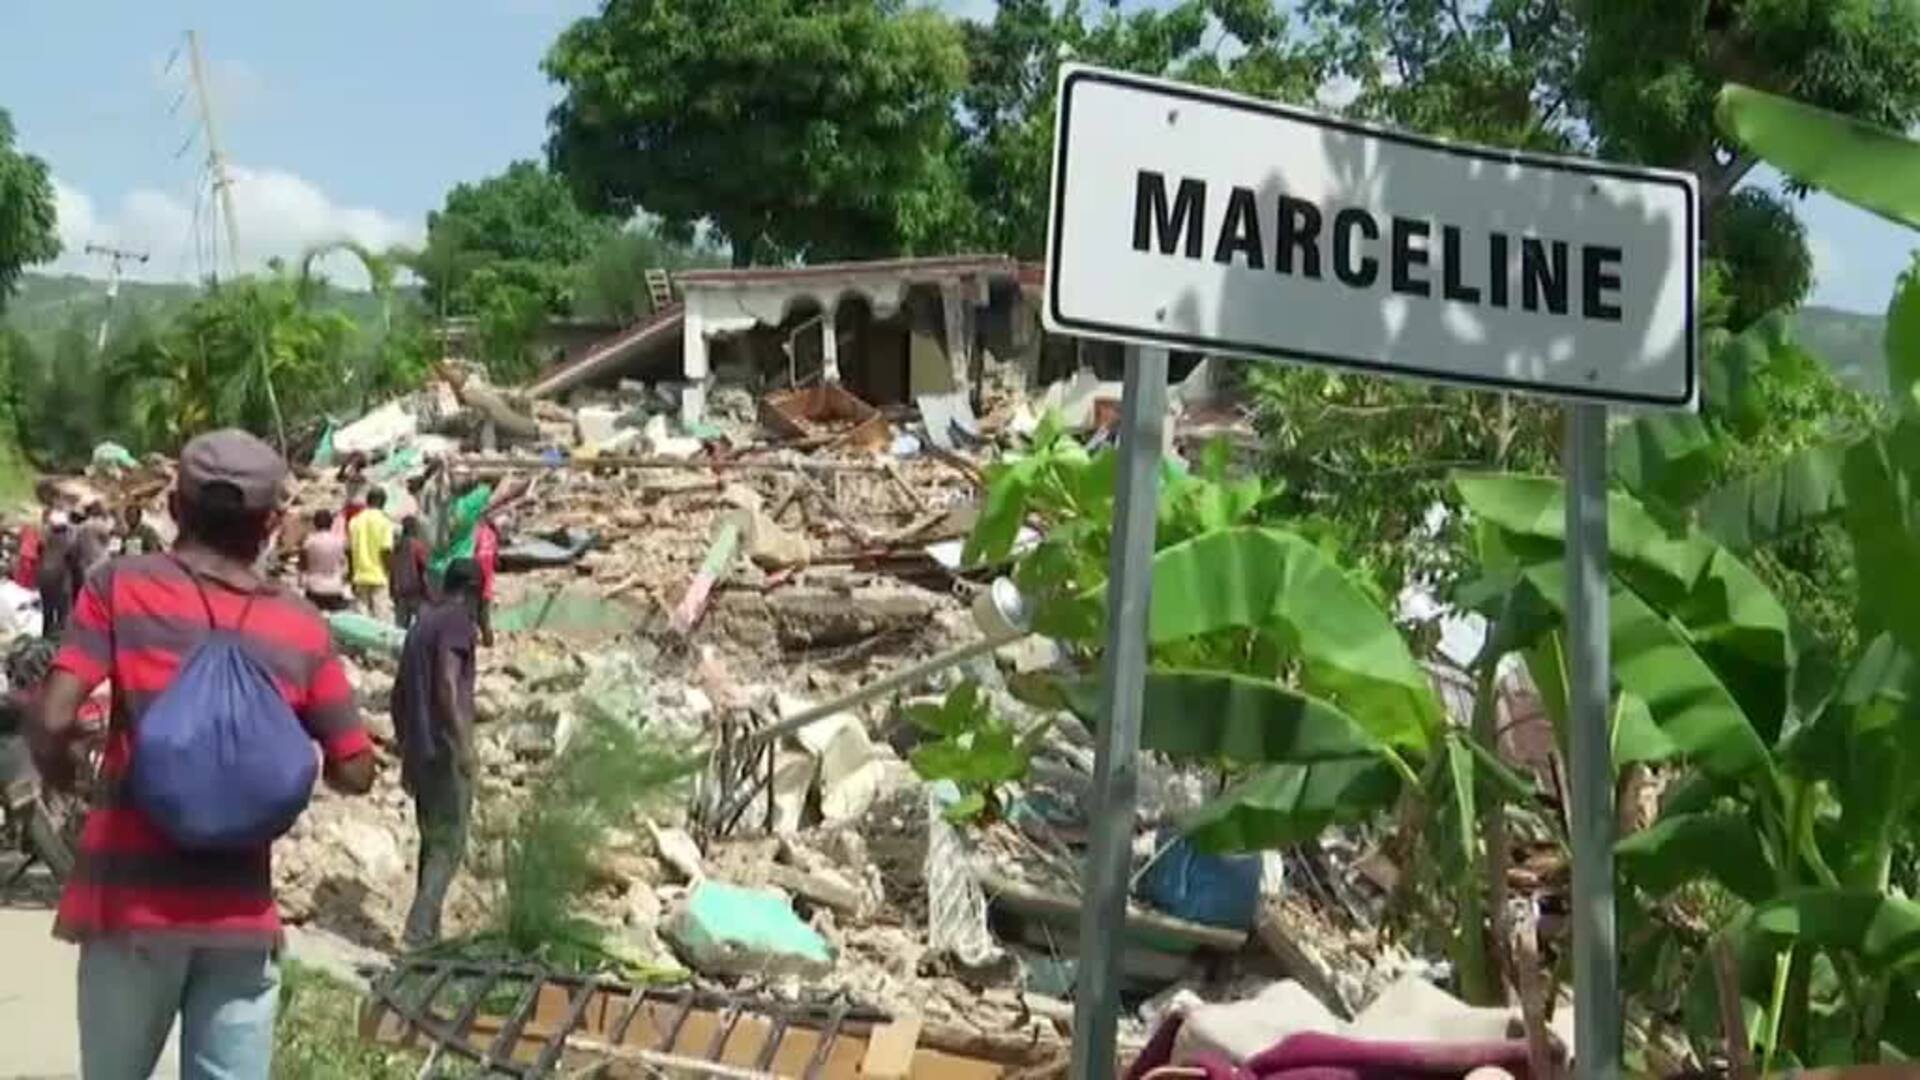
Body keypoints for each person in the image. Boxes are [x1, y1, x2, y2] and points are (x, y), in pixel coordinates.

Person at [27, 428, 375, 1079]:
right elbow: (355, 769)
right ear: (271, 524)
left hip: (129, 906)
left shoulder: (119, 587)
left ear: (176, 507)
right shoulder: (300, 624)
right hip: (240, 915)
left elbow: (51, 718)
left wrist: (68, 779)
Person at [392, 557, 480, 949]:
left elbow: (398, 697)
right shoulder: (459, 622)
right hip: (444, 750)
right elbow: (446, 683)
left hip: (421, 750)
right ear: (475, 593)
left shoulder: (420, 626)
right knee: (451, 841)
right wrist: (462, 745)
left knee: (432, 840)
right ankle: (419, 929)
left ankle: (430, 933)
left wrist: (406, 749)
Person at [348, 486, 396, 619]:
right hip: (379, 576)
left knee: (362, 621)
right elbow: (385, 551)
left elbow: (350, 551)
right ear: (383, 502)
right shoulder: (385, 522)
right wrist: (391, 574)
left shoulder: (355, 521)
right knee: (380, 620)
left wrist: (351, 575)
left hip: (359, 575)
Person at [37, 511, 79, 638]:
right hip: (61, 579)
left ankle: (46, 638)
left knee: (47, 613)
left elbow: (40, 553)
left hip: (44, 579)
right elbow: (74, 560)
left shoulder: (45, 539)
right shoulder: (68, 540)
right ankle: (59, 642)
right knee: (62, 613)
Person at [301, 509, 351, 612]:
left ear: (315, 523)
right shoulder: (339, 541)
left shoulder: (309, 542)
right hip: (334, 587)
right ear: (331, 523)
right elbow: (345, 563)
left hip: (314, 586)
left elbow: (303, 565)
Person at [388, 515, 430, 629]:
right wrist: (428, 591)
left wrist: (392, 588)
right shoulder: (417, 546)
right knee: (421, 623)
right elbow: (424, 567)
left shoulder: (397, 545)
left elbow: (392, 567)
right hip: (415, 589)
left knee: (401, 625)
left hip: (400, 589)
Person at [473, 513, 499, 648]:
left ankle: (474, 640)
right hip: (487, 579)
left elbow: (470, 553)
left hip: (475, 578)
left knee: (473, 611)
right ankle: (488, 640)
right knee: (484, 613)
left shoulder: (476, 534)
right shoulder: (492, 535)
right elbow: (495, 560)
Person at [72, 503, 114, 580]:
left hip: (85, 566)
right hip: (100, 563)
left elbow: (76, 548)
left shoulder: (81, 527)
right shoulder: (100, 524)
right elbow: (109, 539)